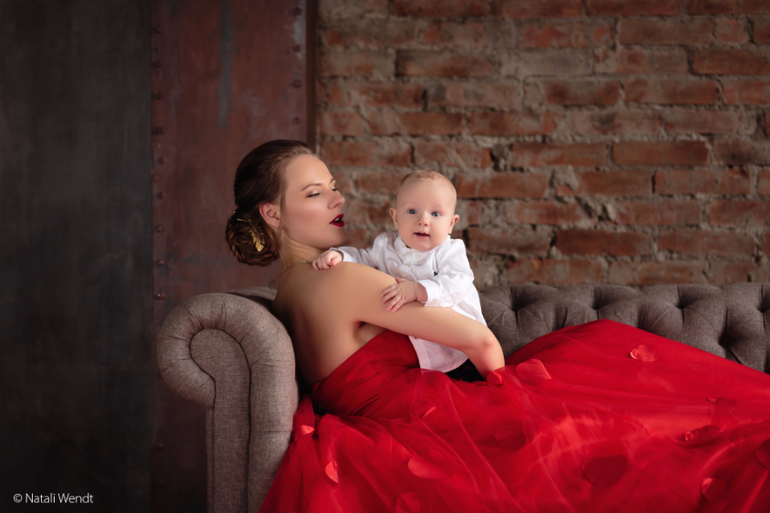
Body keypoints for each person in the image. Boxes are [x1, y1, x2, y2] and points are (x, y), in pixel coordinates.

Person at [226, 139, 770, 513]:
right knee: (638, 431)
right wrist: (512, 396)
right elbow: (478, 338)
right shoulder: (341, 279)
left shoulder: (290, 288)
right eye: (315, 193)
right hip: (429, 418)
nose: (338, 198)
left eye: (332, 186)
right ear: (272, 213)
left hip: (400, 416)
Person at [311, 170, 485, 380]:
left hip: (458, 347)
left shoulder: (449, 251)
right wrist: (340, 256)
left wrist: (419, 290)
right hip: (416, 346)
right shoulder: (386, 245)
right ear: (395, 217)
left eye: (435, 214)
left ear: (451, 223)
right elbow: (365, 259)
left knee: (466, 390)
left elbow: (457, 281)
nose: (423, 220)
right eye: (412, 211)